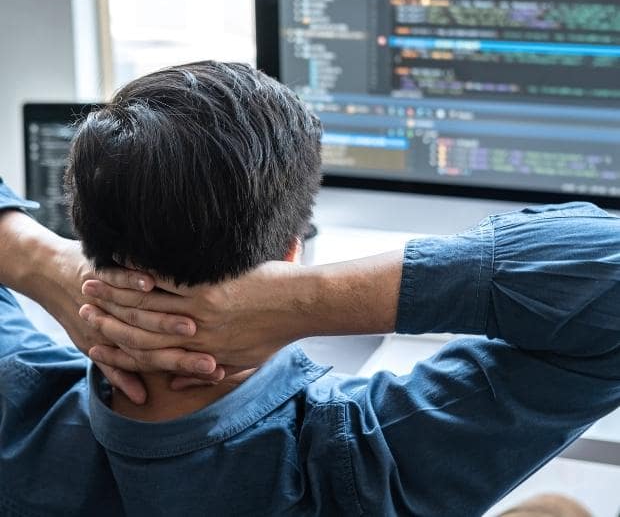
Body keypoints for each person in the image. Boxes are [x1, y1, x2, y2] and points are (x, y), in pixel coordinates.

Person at [1, 61, 619, 516]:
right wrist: (305, 302)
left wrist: (39, 261)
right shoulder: (367, 460)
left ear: (88, 235)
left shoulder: (15, 400)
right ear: (293, 250)